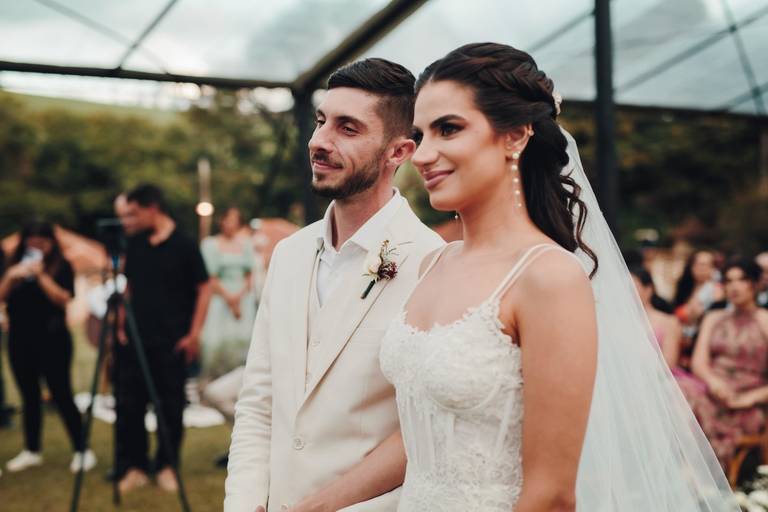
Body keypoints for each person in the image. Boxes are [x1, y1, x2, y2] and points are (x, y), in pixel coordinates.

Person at [379, 43, 736, 510]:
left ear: (514, 136)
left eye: (449, 128)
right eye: (419, 134)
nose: (423, 154)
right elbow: (415, 433)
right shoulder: (434, 263)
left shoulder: (549, 279)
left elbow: (550, 495)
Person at [225, 58, 444, 512]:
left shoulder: (433, 262)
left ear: (398, 152)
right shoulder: (288, 254)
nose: (318, 141)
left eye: (347, 128)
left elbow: (424, 427)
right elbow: (259, 400)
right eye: (321, 121)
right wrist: (244, 502)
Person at [115, 184, 211, 493]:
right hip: (135, 340)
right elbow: (127, 285)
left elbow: (204, 288)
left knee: (170, 407)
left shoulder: (184, 244)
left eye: (134, 213)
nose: (128, 220)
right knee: (130, 405)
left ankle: (167, 466)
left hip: (172, 340)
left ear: (152, 208)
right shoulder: (134, 243)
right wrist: (120, 322)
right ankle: (135, 466)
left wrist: (193, 334)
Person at [0, 221, 96, 473]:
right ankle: (32, 449)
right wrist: (11, 277)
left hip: (53, 338)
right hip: (20, 338)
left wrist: (41, 276)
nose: (37, 246)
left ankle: (82, 448)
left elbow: (64, 299)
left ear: (51, 242)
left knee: (61, 392)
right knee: (29, 395)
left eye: (42, 241)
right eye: (32, 241)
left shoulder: (61, 265)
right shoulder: (12, 266)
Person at [678, 258, 768, 469]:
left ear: (755, 284)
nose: (734, 286)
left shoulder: (764, 320)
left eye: (742, 280)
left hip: (746, 402)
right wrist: (714, 383)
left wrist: (750, 398)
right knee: (675, 389)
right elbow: (699, 362)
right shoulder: (714, 317)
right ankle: (681, 470)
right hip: (713, 392)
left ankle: (693, 474)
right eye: (728, 281)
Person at [200, 207, 255, 378]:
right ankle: (213, 378)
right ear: (222, 221)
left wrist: (239, 296)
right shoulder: (210, 244)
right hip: (220, 298)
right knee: (215, 341)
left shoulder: (246, 244)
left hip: (242, 298)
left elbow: (249, 274)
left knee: (242, 338)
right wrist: (229, 297)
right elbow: (211, 277)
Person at [673, 249, 724, 342]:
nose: (701, 268)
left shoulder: (716, 290)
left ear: (713, 268)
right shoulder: (685, 288)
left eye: (705, 264)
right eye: (697, 264)